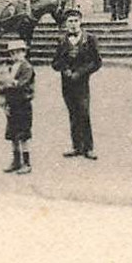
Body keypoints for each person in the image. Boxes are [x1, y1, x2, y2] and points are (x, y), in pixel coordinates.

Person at [51, 10, 101, 160]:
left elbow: (96, 62)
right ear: (66, 24)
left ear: (80, 22)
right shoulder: (61, 40)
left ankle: (89, 147)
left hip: (82, 83)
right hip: (66, 83)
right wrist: (64, 70)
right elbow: (55, 62)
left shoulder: (90, 39)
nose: (73, 24)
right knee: (73, 113)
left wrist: (80, 72)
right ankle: (76, 146)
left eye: (75, 21)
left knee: (84, 112)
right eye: (70, 21)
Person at [0, 37, 36, 174]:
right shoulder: (11, 67)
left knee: (23, 134)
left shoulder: (27, 68)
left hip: (23, 104)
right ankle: (16, 160)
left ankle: (27, 163)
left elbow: (20, 84)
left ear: (24, 52)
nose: (15, 55)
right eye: (12, 53)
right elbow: (2, 84)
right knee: (12, 134)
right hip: (12, 103)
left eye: (18, 52)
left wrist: (6, 82)